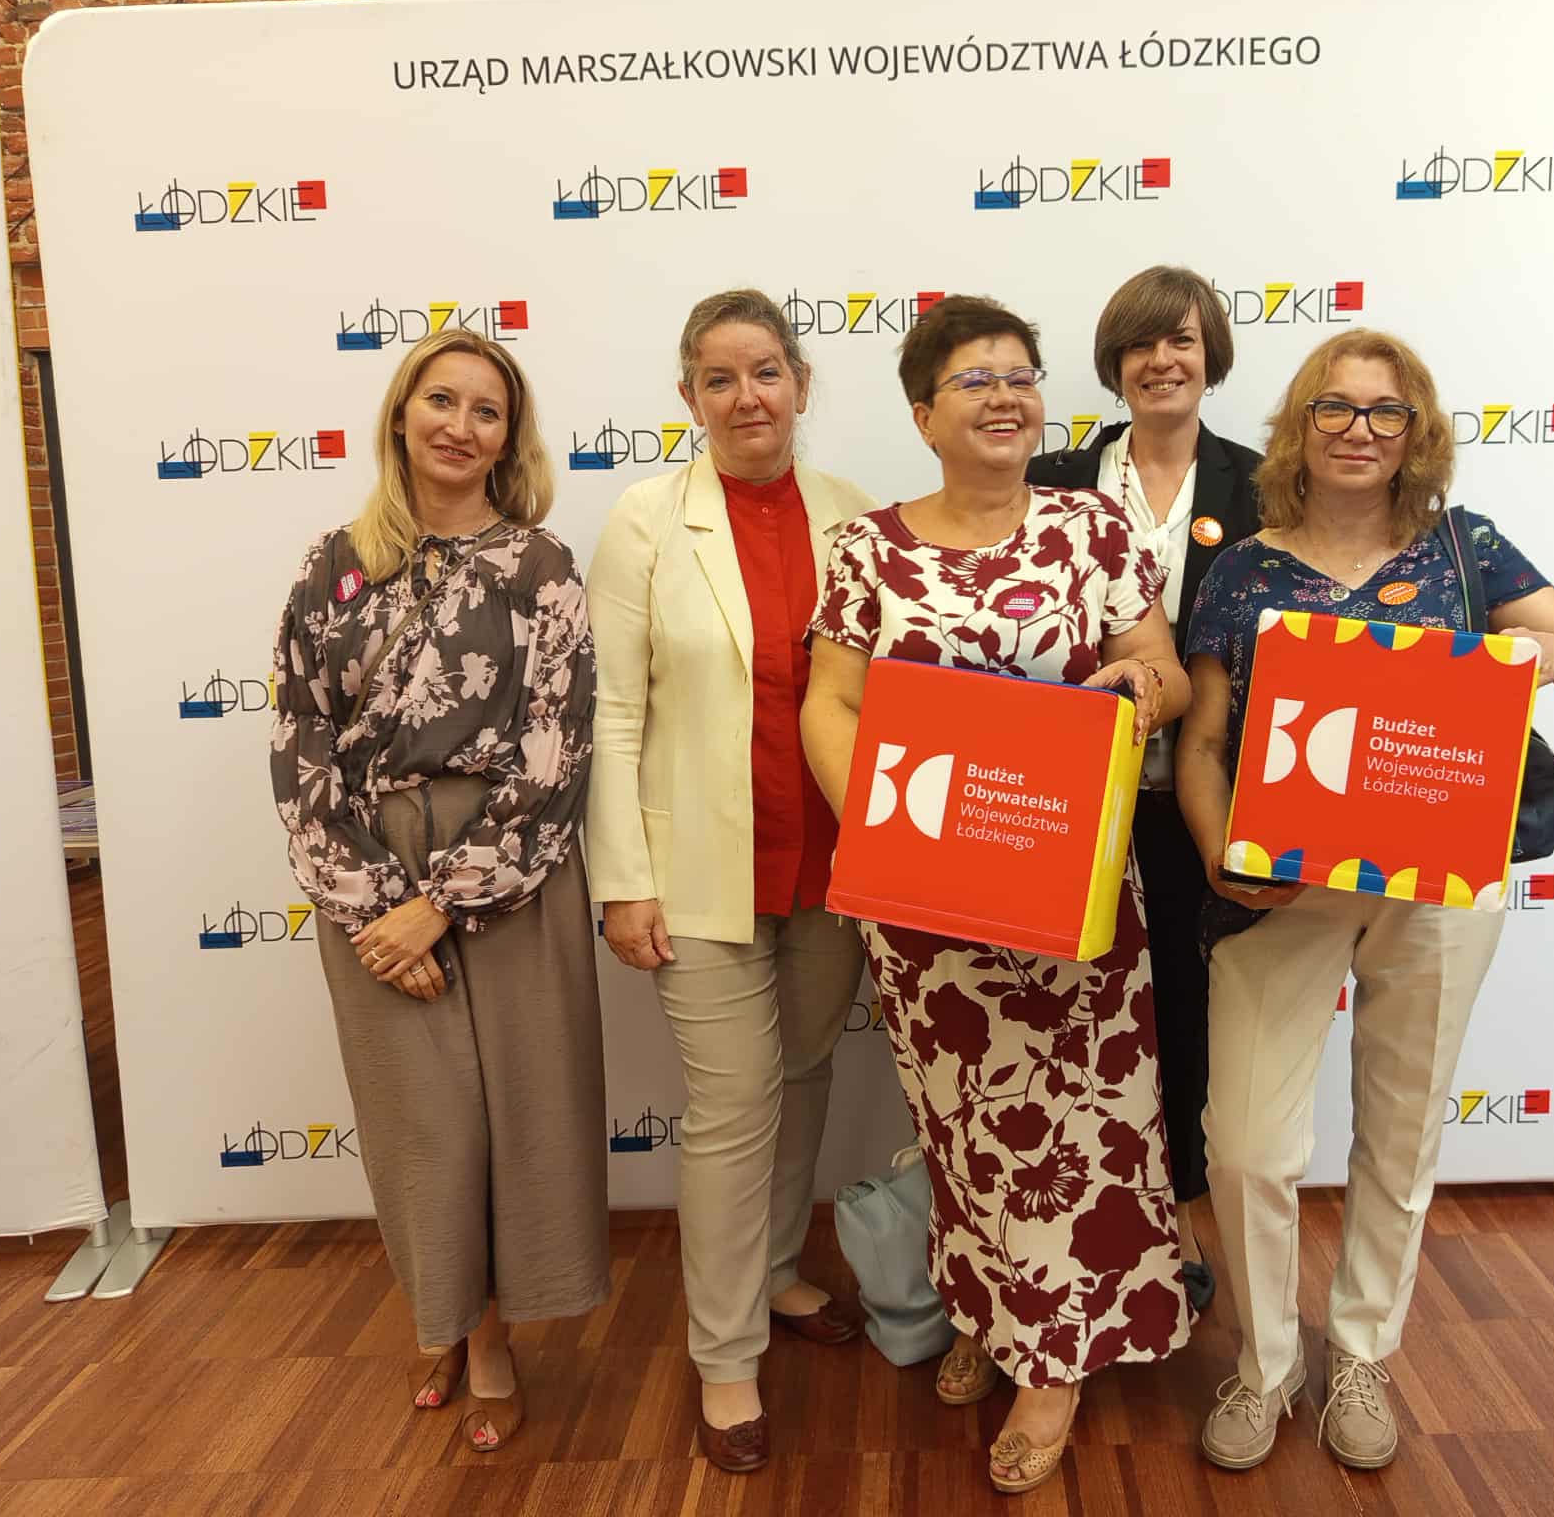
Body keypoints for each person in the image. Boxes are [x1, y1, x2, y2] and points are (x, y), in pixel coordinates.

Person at [1174, 327, 1554, 1474]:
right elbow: (1202, 742)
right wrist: (1215, 851)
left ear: (1415, 432)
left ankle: (1360, 1351)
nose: (1358, 430)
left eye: (1384, 411)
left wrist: (1544, 657)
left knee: (1400, 1126)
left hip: (1434, 887)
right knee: (1245, 1147)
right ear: (1297, 427)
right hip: (1280, 888)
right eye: (1333, 408)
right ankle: (1264, 1363)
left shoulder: (1465, 551)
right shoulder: (1240, 569)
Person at [802, 295, 1193, 1496]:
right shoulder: (866, 549)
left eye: (1020, 376)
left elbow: (1164, 671)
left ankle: (1053, 1363)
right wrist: (884, 838)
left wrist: (1137, 688)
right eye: (974, 380)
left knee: (1078, 1129)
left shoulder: (1089, 530)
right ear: (923, 415)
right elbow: (830, 703)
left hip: (1073, 901)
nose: (1004, 396)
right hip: (924, 911)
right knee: (964, 1130)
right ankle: (985, 1307)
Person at [270, 328, 608, 1455]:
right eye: (441, 400)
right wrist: (378, 908)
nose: (460, 426)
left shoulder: (541, 567)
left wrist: (445, 903)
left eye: (486, 410)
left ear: (510, 438)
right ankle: (451, 1320)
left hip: (509, 872)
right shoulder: (332, 564)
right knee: (424, 1128)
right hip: (367, 869)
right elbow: (301, 742)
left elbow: (557, 748)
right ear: (401, 412)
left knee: (521, 1118)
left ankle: (496, 1341)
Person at [584, 289, 873, 1476]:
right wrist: (622, 879)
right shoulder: (645, 521)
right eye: (719, 378)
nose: (745, 397)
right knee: (732, 1106)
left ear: (799, 382)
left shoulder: (858, 516)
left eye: (764, 372)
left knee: (802, 1076)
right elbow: (612, 712)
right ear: (688, 397)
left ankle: (776, 1272)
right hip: (698, 871)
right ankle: (724, 1357)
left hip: (834, 864)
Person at [1027, 264, 1261, 1311]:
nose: (1160, 361)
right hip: (1071, 808)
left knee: (1191, 1036)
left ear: (1211, 355)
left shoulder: (1265, 485)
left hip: (1204, 808)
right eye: (1139, 344)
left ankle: (1181, 1246)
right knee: (1067, 1032)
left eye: (1181, 341)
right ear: (1112, 363)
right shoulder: (1050, 478)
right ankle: (1066, 1251)